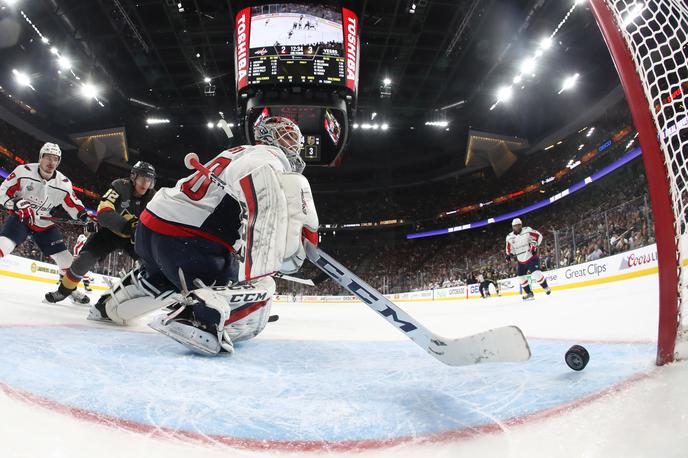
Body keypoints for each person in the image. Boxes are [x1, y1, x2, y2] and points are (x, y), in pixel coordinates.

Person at [88, 116, 319, 356]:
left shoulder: (237, 152)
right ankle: (197, 316)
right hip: (185, 239)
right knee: (259, 285)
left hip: (152, 229)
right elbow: (263, 200)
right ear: (269, 136)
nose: (295, 145)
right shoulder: (267, 157)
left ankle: (109, 308)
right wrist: (270, 257)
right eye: (289, 136)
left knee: (162, 277)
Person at [44, 162, 156, 303]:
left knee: (151, 264)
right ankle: (63, 291)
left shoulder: (154, 197)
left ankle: (153, 293)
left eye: (149, 179)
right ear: (133, 177)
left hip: (134, 237)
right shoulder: (120, 186)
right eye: (143, 178)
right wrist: (129, 226)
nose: (145, 183)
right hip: (110, 232)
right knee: (84, 260)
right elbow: (103, 213)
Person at [0, 142, 90, 303]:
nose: (51, 162)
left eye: (55, 159)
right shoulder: (23, 171)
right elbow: (2, 192)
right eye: (48, 157)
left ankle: (70, 290)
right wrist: (16, 203)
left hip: (44, 224)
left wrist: (85, 217)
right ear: (40, 158)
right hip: (22, 218)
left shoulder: (63, 183)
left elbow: (74, 205)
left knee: (67, 262)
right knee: (3, 246)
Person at [505, 218, 551, 300]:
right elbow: (509, 248)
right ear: (512, 227)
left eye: (519, 225)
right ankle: (529, 293)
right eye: (515, 226)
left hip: (531, 257)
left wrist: (534, 245)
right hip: (521, 261)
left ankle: (545, 287)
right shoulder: (509, 237)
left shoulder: (528, 230)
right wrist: (509, 255)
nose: (517, 227)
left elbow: (539, 236)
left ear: (521, 225)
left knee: (536, 274)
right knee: (520, 277)